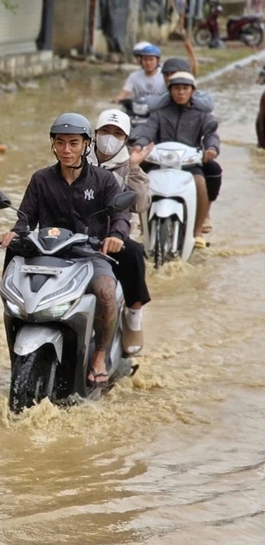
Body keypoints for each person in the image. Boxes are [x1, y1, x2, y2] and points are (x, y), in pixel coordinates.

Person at [0, 114, 130, 385]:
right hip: (47, 256)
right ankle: (16, 357)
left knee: (105, 290)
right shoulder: (41, 179)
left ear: (86, 145)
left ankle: (99, 355)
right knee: (12, 295)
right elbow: (25, 218)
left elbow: (121, 215)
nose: (66, 150)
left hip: (90, 256)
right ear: (53, 145)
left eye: (73, 143)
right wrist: (14, 232)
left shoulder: (104, 180)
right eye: (60, 143)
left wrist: (116, 235)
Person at [130, 72, 221, 248]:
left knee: (200, 182)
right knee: (141, 180)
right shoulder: (159, 113)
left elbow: (211, 134)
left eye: (185, 88)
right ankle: (143, 229)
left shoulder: (202, 115)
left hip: (188, 164)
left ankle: (198, 231)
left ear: (193, 91)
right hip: (159, 161)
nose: (181, 92)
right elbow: (147, 131)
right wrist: (139, 144)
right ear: (170, 90)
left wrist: (211, 148)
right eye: (176, 88)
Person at [92, 110, 151, 355]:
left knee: (134, 252)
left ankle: (134, 315)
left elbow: (140, 205)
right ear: (94, 133)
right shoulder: (76, 156)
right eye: (105, 131)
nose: (110, 137)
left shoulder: (129, 165)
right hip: (76, 232)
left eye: (117, 134)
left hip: (114, 233)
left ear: (125, 138)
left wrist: (135, 168)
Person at [149, 58, 214, 113]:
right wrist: (172, 95)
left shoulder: (200, 95)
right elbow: (151, 106)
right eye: (166, 75)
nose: (169, 78)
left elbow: (209, 107)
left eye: (173, 73)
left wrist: (188, 97)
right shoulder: (160, 92)